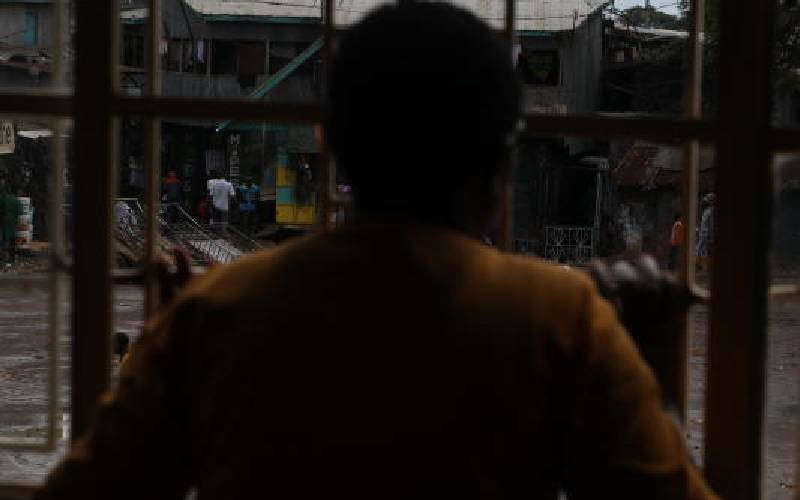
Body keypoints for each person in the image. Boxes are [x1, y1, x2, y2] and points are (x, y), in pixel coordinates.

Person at [36, 4, 718, 499]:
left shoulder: (216, 312)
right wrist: (657, 369)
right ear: (500, 167)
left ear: (333, 146)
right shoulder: (562, 319)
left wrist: (160, 344)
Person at [0, 180, 20, 265]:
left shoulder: (3, 198)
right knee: (12, 240)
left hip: (5, 222)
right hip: (14, 222)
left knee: (4, 240)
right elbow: (20, 212)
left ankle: (3, 258)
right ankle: (12, 258)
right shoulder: (16, 200)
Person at [697, 193, 715, 274]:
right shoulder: (707, 211)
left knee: (704, 253)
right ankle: (704, 270)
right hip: (705, 236)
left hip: (706, 237)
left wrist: (709, 238)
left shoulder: (710, 212)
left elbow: (710, 226)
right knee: (702, 253)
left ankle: (705, 270)